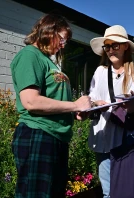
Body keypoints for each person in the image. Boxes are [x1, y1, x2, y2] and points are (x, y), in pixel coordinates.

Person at [10, 13, 91, 197]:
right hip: (38, 134)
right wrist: (74, 105)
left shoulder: (48, 61)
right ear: (47, 31)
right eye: (62, 39)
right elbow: (31, 101)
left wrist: (75, 112)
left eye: (66, 41)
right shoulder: (30, 55)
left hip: (55, 137)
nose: (63, 45)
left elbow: (54, 101)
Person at [88, 25, 134, 198]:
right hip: (103, 136)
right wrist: (96, 103)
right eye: (107, 46)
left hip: (124, 137)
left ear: (125, 46)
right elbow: (91, 98)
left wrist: (128, 103)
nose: (111, 50)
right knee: (108, 191)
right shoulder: (100, 71)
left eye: (115, 45)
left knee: (127, 190)